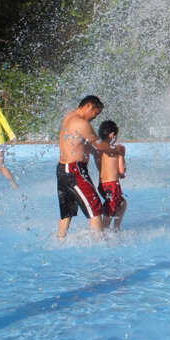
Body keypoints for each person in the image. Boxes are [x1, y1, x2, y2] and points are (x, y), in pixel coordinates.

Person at [56, 95, 124, 239]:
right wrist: (115, 150)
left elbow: (82, 144)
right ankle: (98, 244)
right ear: (89, 106)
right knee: (95, 207)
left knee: (67, 210)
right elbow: (99, 145)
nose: (95, 117)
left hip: (63, 169)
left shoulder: (69, 117)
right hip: (75, 170)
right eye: (96, 113)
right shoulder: (82, 123)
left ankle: (60, 240)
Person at [96, 120, 128, 231]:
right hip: (113, 185)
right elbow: (121, 171)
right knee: (111, 209)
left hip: (102, 185)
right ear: (112, 135)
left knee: (121, 203)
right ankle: (105, 232)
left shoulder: (99, 150)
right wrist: (122, 156)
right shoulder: (117, 150)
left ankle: (115, 229)